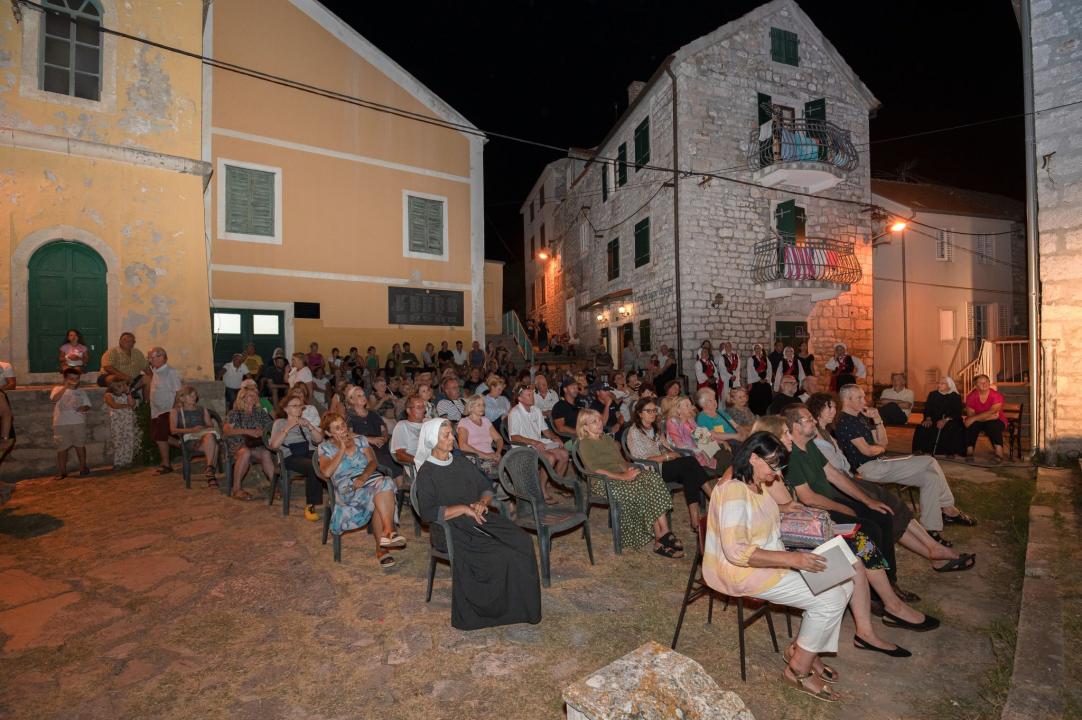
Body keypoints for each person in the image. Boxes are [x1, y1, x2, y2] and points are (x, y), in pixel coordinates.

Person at [702, 432, 852, 703]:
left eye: (780, 466)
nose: (778, 472)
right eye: (773, 465)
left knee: (844, 581)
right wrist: (794, 560)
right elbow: (736, 551)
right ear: (753, 458)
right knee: (830, 598)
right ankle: (798, 669)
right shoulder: (735, 490)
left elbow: (754, 512)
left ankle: (803, 650)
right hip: (743, 572)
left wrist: (784, 508)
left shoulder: (756, 483)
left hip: (768, 561)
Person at [782, 406, 939, 631]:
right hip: (817, 513)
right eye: (809, 419)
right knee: (869, 529)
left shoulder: (810, 446)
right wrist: (843, 508)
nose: (814, 422)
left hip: (830, 502)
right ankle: (876, 596)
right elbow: (809, 498)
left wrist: (867, 501)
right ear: (795, 426)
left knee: (881, 514)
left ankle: (889, 582)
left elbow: (834, 475)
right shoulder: (791, 455)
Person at [807, 392, 970, 580]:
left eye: (834, 407)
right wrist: (876, 451)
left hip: (851, 476)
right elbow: (841, 466)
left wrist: (877, 420)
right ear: (816, 409)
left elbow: (882, 443)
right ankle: (935, 545)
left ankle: (934, 548)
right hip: (847, 481)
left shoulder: (827, 431)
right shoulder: (817, 435)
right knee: (892, 508)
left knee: (920, 484)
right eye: (829, 407)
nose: (833, 411)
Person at [415, 418, 541, 629]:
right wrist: (463, 509)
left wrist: (483, 502)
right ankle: (499, 611)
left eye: (451, 433)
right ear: (431, 441)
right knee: (500, 554)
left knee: (522, 541)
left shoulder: (460, 461)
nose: (452, 438)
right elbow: (427, 513)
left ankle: (524, 606)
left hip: (478, 516)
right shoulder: (427, 472)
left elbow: (487, 487)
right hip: (450, 528)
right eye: (446, 435)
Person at [835, 384, 978, 552]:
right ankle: (949, 509)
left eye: (863, 396)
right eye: (859, 398)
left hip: (880, 463)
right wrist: (880, 449)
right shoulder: (845, 421)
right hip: (870, 468)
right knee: (929, 461)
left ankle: (930, 528)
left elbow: (883, 441)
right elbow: (866, 450)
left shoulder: (860, 417)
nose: (864, 401)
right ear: (846, 400)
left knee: (929, 477)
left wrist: (878, 419)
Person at [576, 408, 681, 555]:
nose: (600, 423)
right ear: (585, 427)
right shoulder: (585, 443)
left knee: (652, 478)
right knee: (643, 490)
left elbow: (621, 462)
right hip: (603, 482)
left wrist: (629, 471)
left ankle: (663, 532)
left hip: (620, 476)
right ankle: (660, 538)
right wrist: (623, 477)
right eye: (594, 421)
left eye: (599, 419)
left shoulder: (607, 439)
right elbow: (595, 469)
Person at [319, 412, 402, 567]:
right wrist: (341, 449)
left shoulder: (360, 440)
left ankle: (387, 532)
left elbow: (373, 462)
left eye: (343, 424)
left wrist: (364, 476)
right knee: (381, 491)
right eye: (337, 428)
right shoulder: (325, 448)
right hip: (348, 490)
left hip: (369, 480)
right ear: (328, 433)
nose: (343, 429)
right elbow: (326, 472)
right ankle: (383, 544)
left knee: (385, 482)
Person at [626, 397, 713, 532]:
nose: (652, 414)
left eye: (654, 410)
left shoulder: (655, 428)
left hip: (666, 465)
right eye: (648, 411)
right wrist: (668, 456)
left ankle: (695, 522)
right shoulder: (635, 431)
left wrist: (672, 455)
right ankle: (714, 499)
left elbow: (666, 447)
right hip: (651, 470)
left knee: (689, 473)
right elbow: (640, 458)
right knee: (690, 461)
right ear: (639, 413)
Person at [508, 382, 570, 504]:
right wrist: (534, 442)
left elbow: (545, 430)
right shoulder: (515, 413)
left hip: (537, 444)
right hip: (523, 447)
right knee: (550, 457)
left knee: (564, 453)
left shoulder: (536, 409)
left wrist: (555, 437)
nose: (532, 396)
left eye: (532, 394)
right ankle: (541, 491)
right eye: (528, 395)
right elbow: (514, 437)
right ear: (520, 399)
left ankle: (557, 485)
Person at [269, 394, 326, 521]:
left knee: (328, 462)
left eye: (300, 406)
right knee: (314, 467)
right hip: (290, 456)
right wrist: (288, 426)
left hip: (308, 452)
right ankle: (310, 505)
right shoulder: (280, 423)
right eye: (295, 406)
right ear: (285, 408)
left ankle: (338, 498)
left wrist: (310, 426)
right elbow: (274, 445)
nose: (299, 408)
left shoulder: (303, 422)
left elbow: (319, 440)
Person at [223, 387, 275, 501]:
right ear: (242, 398)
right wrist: (247, 431)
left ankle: (275, 486)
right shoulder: (234, 413)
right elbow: (226, 431)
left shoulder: (260, 412)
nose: (254, 397)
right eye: (250, 395)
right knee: (245, 452)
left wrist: (262, 431)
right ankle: (236, 488)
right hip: (237, 444)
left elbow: (270, 428)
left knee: (266, 453)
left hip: (255, 444)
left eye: (255, 395)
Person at [170, 386, 221, 486]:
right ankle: (211, 476)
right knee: (215, 446)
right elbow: (173, 430)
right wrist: (191, 430)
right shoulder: (175, 411)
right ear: (182, 398)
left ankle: (209, 469)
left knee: (210, 437)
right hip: (189, 440)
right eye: (191, 395)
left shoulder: (202, 409)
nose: (194, 397)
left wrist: (203, 428)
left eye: (195, 395)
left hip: (204, 437)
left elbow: (210, 425)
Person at [667, 395, 730, 477]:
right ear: (678, 410)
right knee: (725, 461)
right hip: (689, 456)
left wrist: (722, 441)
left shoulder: (690, 420)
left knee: (726, 455)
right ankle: (731, 481)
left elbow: (704, 436)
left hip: (704, 450)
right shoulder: (673, 422)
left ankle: (731, 480)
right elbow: (678, 444)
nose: (690, 408)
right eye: (687, 406)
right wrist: (699, 451)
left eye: (690, 405)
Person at [50, 367, 91, 480]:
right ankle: (62, 471)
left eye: (76, 378)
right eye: (71, 378)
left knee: (80, 444)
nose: (74, 380)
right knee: (62, 447)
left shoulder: (81, 392)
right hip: (61, 423)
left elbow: (88, 405)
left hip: (78, 422)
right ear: (65, 379)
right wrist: (65, 387)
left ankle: (83, 467)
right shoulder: (57, 389)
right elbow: (54, 399)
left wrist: (84, 408)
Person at [342, 384, 394, 470]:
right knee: (385, 460)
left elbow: (383, 429)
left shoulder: (372, 412)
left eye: (363, 395)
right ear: (351, 400)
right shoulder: (350, 415)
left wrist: (384, 439)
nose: (363, 398)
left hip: (380, 443)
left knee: (394, 456)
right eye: (359, 396)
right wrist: (368, 439)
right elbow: (348, 433)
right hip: (364, 447)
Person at [147, 347, 181, 475]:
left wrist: (174, 410)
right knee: (158, 437)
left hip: (167, 410)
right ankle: (187, 447)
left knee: (160, 437)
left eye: (152, 358)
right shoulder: (156, 371)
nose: (149, 361)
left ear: (161, 357)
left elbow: (178, 391)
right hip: (156, 411)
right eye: (149, 358)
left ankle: (166, 465)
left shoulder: (170, 372)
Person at [913, 377, 967, 458]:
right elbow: (928, 408)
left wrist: (945, 419)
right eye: (939, 383)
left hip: (951, 419)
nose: (939, 385)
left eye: (942, 383)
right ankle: (922, 449)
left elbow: (957, 412)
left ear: (949, 385)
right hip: (934, 418)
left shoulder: (956, 396)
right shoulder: (933, 394)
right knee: (925, 426)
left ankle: (949, 451)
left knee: (951, 427)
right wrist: (928, 418)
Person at [964, 375, 1007, 464]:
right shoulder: (971, 397)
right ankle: (969, 452)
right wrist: (988, 417)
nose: (984, 384)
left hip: (997, 420)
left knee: (992, 424)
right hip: (982, 420)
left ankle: (999, 453)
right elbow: (970, 414)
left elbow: (993, 412)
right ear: (976, 386)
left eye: (986, 382)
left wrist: (974, 418)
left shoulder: (996, 395)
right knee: (972, 425)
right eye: (981, 383)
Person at [458, 394, 503, 476]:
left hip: (491, 456)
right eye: (478, 405)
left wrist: (498, 452)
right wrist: (485, 455)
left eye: (483, 405)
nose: (482, 407)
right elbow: (462, 446)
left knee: (513, 466)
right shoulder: (464, 422)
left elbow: (499, 439)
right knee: (503, 470)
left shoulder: (485, 420)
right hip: (475, 458)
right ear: (471, 407)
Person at [696, 387, 746, 452]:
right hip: (725, 445)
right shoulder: (702, 418)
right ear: (702, 404)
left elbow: (736, 426)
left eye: (714, 399)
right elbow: (713, 434)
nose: (714, 402)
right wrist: (734, 436)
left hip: (737, 440)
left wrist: (743, 434)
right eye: (710, 400)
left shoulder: (720, 412)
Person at [103, 378, 138, 468]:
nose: (126, 387)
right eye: (124, 385)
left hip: (127, 420)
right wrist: (127, 406)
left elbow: (132, 404)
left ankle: (127, 460)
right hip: (116, 421)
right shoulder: (108, 395)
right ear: (117, 386)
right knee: (118, 440)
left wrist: (128, 393)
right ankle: (118, 462)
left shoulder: (126, 395)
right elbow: (114, 405)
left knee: (128, 439)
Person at [391, 395, 427, 465]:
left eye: (423, 406)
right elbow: (400, 455)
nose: (422, 409)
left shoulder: (428, 422)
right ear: (408, 410)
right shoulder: (402, 426)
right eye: (418, 406)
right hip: (418, 465)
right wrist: (422, 462)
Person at [746, 343, 773, 416]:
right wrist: (758, 379)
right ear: (754, 350)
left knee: (766, 399)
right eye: (756, 348)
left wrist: (766, 378)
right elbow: (751, 370)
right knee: (756, 399)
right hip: (756, 382)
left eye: (759, 348)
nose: (758, 349)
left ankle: (766, 414)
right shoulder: (751, 359)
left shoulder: (765, 358)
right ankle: (756, 414)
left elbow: (769, 369)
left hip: (765, 382)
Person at [715, 341, 740, 408]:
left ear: (732, 347)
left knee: (735, 396)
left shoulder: (736, 356)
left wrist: (734, 376)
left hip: (734, 379)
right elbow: (722, 369)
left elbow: (737, 368)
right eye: (726, 346)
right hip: (726, 379)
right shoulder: (722, 357)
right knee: (726, 397)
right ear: (725, 348)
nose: (728, 347)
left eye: (729, 346)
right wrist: (730, 376)